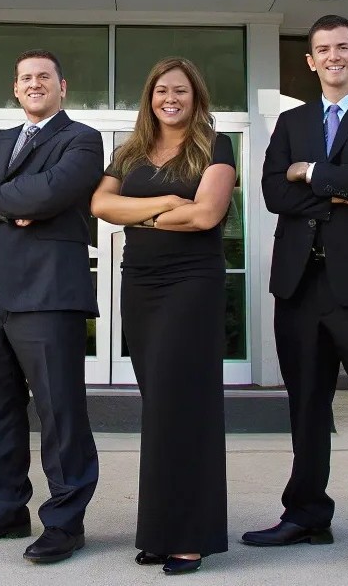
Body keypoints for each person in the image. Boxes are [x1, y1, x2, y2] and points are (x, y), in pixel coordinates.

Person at [242, 14, 348, 568]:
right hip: (300, 287)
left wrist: (310, 172)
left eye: (343, 47)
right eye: (323, 49)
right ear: (310, 61)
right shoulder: (290, 121)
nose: (333, 56)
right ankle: (307, 514)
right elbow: (273, 193)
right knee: (307, 409)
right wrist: (343, 187)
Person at [0, 50, 103, 564]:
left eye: (44, 77)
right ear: (15, 89)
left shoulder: (81, 139)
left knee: (59, 410)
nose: (34, 84)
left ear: (63, 86)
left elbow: (53, 192)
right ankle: (4, 508)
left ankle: (64, 522)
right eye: (25, 79)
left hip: (48, 294)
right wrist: (10, 201)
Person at [91, 58, 236, 576]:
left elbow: (206, 214)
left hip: (191, 285)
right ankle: (159, 532)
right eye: (160, 91)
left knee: (186, 406)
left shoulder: (215, 146)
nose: (169, 98)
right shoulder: (129, 152)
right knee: (159, 407)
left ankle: (190, 536)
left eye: (180, 90)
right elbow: (101, 205)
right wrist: (160, 209)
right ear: (149, 98)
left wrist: (141, 213)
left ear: (195, 96)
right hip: (142, 285)